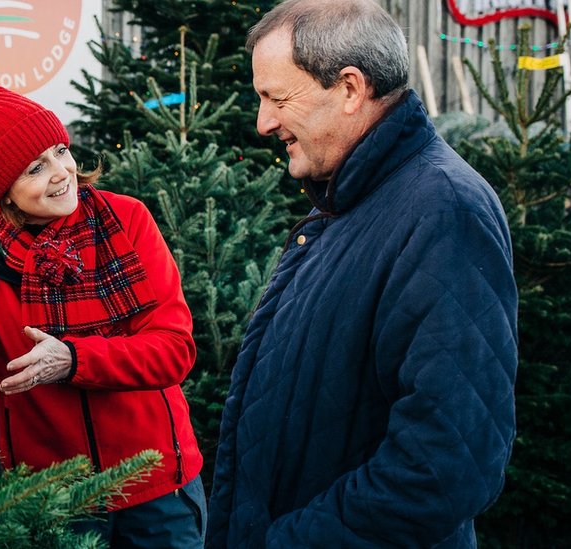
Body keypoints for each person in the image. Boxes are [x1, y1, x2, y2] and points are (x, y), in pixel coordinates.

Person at [206, 1, 519, 547]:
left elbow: (444, 465)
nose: (264, 122)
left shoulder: (444, 211)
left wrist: (287, 540)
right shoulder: (350, 197)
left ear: (350, 88)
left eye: (277, 98)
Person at [0, 55, 205, 548]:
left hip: (158, 491)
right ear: (3, 191)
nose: (62, 172)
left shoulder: (127, 220)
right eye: (35, 168)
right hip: (53, 498)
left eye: (60, 150)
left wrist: (74, 358)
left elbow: (174, 349)